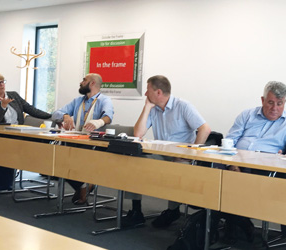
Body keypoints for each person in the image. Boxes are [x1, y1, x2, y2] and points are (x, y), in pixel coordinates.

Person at [122, 75, 211, 227]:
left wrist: (193, 154)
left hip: (181, 156)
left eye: (147, 90)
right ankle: (136, 211)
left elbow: (205, 129)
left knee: (175, 168)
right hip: (162, 154)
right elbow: (138, 133)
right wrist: (147, 108)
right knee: (135, 163)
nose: (145, 94)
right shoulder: (153, 109)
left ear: (158, 92)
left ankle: (173, 210)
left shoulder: (183, 106)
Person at [223, 81, 286, 242]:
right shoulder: (247, 115)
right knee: (214, 175)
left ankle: (241, 226)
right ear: (262, 100)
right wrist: (233, 164)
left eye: (280, 104)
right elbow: (230, 142)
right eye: (271, 102)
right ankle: (233, 226)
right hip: (237, 163)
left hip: (266, 168)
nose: (275, 108)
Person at [0, 72, 52, 192]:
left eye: (3, 82)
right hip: (2, 135)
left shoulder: (13, 95)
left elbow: (30, 109)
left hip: (19, 133)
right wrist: (3, 106)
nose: (2, 85)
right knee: (5, 153)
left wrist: (51, 116)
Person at [52, 73, 114, 204]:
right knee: (58, 160)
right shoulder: (78, 101)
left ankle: (83, 187)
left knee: (73, 161)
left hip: (93, 143)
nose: (81, 82)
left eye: (84, 80)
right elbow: (56, 113)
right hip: (75, 140)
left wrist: (98, 122)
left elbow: (108, 117)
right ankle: (84, 186)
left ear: (92, 83)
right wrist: (65, 116)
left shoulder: (104, 100)